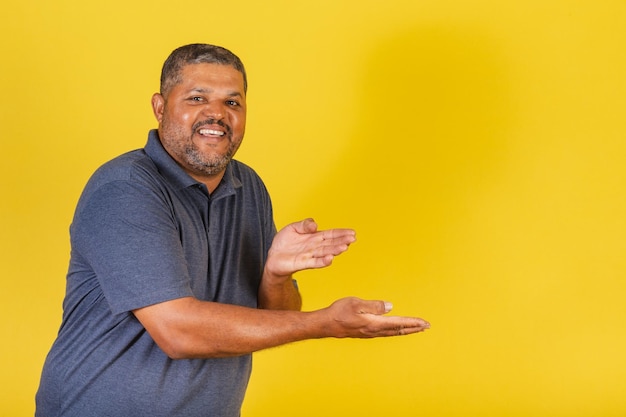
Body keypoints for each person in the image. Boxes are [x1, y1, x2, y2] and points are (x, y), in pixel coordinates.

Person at [35, 43, 430, 417]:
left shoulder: (249, 187)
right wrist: (324, 323)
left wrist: (277, 276)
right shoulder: (125, 189)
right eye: (197, 98)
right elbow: (178, 332)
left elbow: (274, 318)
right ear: (159, 107)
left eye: (232, 102)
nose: (217, 114)